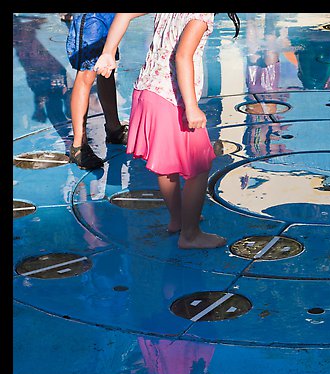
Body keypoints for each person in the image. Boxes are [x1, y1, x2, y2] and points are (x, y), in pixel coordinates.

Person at [95, 13, 240, 249]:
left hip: (146, 92)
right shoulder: (201, 16)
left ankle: (177, 220)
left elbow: (124, 14)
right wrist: (192, 108)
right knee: (199, 167)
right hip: (172, 99)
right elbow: (183, 56)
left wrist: (109, 52)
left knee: (167, 166)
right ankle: (190, 234)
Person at [66, 13, 129, 169]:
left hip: (109, 16)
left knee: (107, 67)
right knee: (87, 72)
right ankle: (79, 145)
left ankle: (114, 128)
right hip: (92, 18)